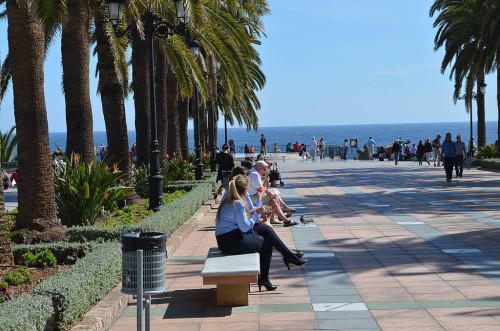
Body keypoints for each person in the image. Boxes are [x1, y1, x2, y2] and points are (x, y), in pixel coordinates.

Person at [215, 174, 307, 292]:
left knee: (265, 229)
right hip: (232, 242)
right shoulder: (238, 203)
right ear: (245, 189)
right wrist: (257, 214)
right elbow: (245, 227)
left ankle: (288, 257)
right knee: (267, 243)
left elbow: (240, 220)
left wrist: (258, 213)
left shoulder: (229, 196)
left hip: (226, 239)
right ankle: (269, 274)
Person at [248, 161, 298, 226]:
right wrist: (266, 184)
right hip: (253, 198)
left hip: (252, 196)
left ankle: (282, 219)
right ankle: (283, 213)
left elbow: (260, 189)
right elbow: (260, 190)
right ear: (260, 168)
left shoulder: (252, 172)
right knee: (275, 194)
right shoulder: (255, 174)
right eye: (265, 169)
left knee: (274, 200)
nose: (265, 171)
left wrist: (266, 184)